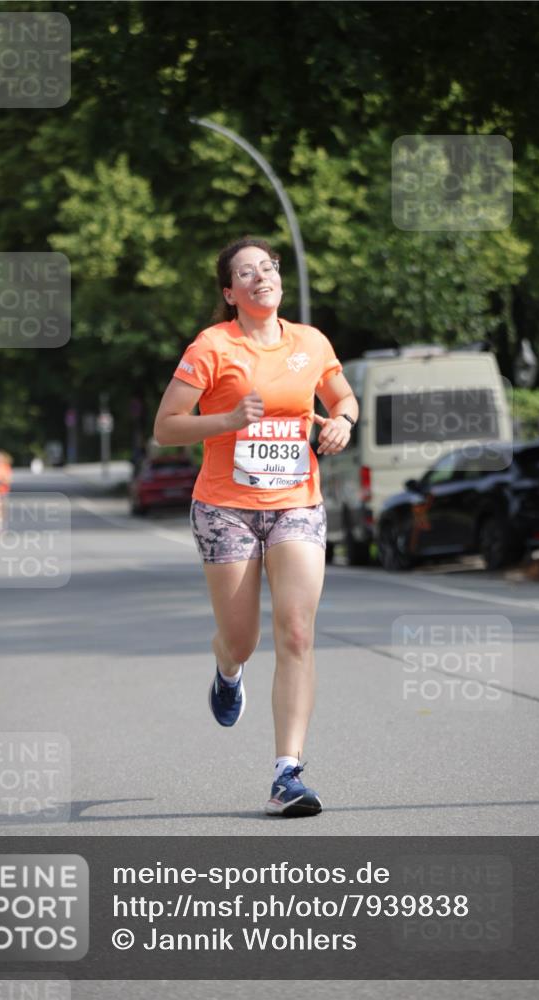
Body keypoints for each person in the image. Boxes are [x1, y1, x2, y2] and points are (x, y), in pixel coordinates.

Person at [154, 236, 358, 816]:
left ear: (279, 280)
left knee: (296, 632)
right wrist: (226, 417)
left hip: (297, 501)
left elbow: (343, 397)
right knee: (243, 638)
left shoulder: (311, 342)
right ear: (230, 292)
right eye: (247, 272)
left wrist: (343, 420)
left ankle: (286, 773)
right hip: (225, 508)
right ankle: (227, 668)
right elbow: (166, 428)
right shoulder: (212, 347)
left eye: (268, 267)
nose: (261, 276)